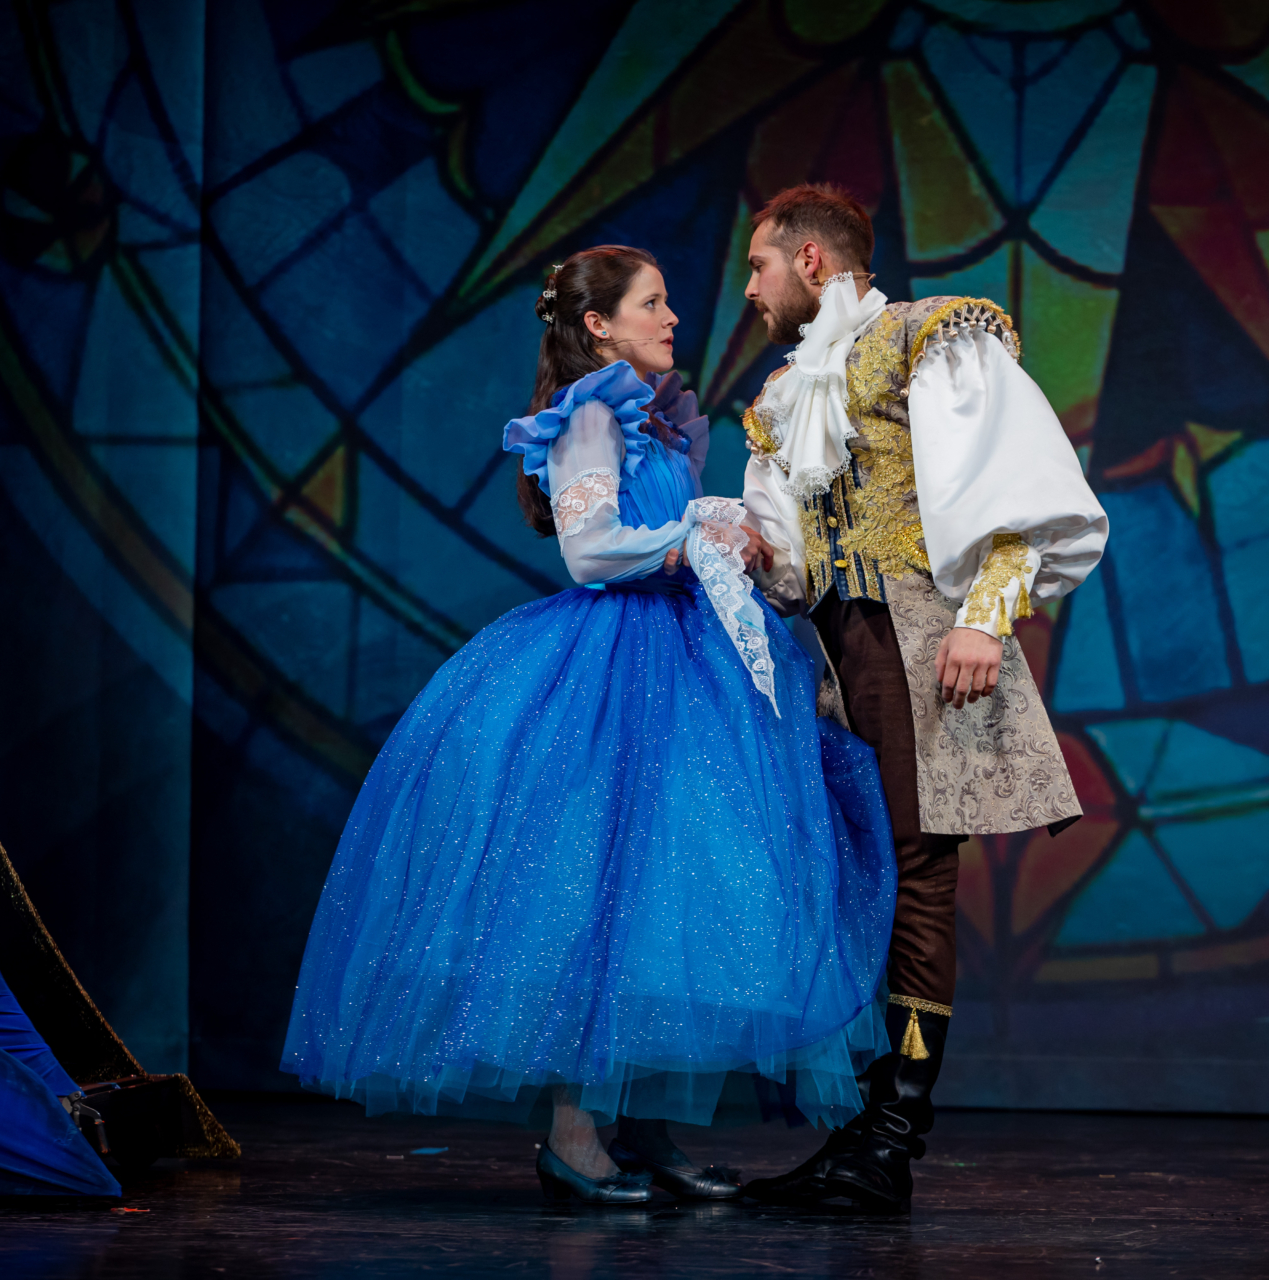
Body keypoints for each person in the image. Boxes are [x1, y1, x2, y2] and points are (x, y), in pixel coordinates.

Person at [281, 245, 898, 1206]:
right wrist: (693, 536)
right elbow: (590, 550)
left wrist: (719, 531)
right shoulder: (592, 413)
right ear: (599, 325)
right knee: (604, 891)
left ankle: (645, 1129)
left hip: (683, 659)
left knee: (672, 895)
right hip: (621, 665)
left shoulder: (652, 417)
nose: (672, 317)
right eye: (652, 303)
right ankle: (575, 1140)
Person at [736, 185, 1109, 1213]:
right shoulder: (786, 393)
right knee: (860, 874)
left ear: (812, 260)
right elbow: (792, 557)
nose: (751, 290)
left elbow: (1015, 488)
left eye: (760, 266)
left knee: (916, 872)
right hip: (837, 654)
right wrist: (748, 549)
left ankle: (892, 1138)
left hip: (920, 636)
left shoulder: (928, 338)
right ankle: (858, 1131)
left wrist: (984, 617)